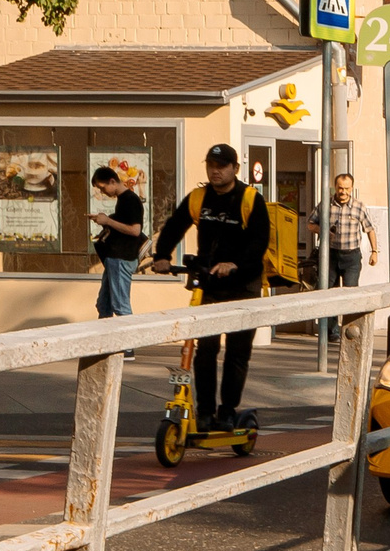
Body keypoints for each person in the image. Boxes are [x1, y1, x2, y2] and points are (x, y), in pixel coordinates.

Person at [149, 144, 269, 428]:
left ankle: (227, 410)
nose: (215, 171)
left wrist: (235, 264)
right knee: (205, 351)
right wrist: (162, 256)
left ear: (235, 169)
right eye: (211, 165)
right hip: (209, 285)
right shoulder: (198, 197)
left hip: (243, 286)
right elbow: (174, 226)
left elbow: (259, 242)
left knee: (237, 353)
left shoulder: (250, 199)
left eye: (222, 166)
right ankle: (205, 412)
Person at [88, 166, 146, 318]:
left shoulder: (130, 200)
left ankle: (130, 333)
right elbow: (124, 225)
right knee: (103, 304)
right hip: (115, 258)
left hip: (122, 258)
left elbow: (135, 230)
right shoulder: (123, 200)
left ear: (112, 181)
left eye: (103, 187)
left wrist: (108, 221)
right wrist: (105, 221)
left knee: (121, 307)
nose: (103, 192)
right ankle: (105, 332)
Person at [322, 173, 377, 287]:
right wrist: (322, 230)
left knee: (351, 291)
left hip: (352, 257)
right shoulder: (326, 205)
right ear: (335, 187)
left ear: (352, 188)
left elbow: (370, 229)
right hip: (331, 255)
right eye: (340, 188)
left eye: (347, 188)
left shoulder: (359, 206)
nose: (343, 192)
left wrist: (374, 252)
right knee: (329, 292)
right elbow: (310, 224)